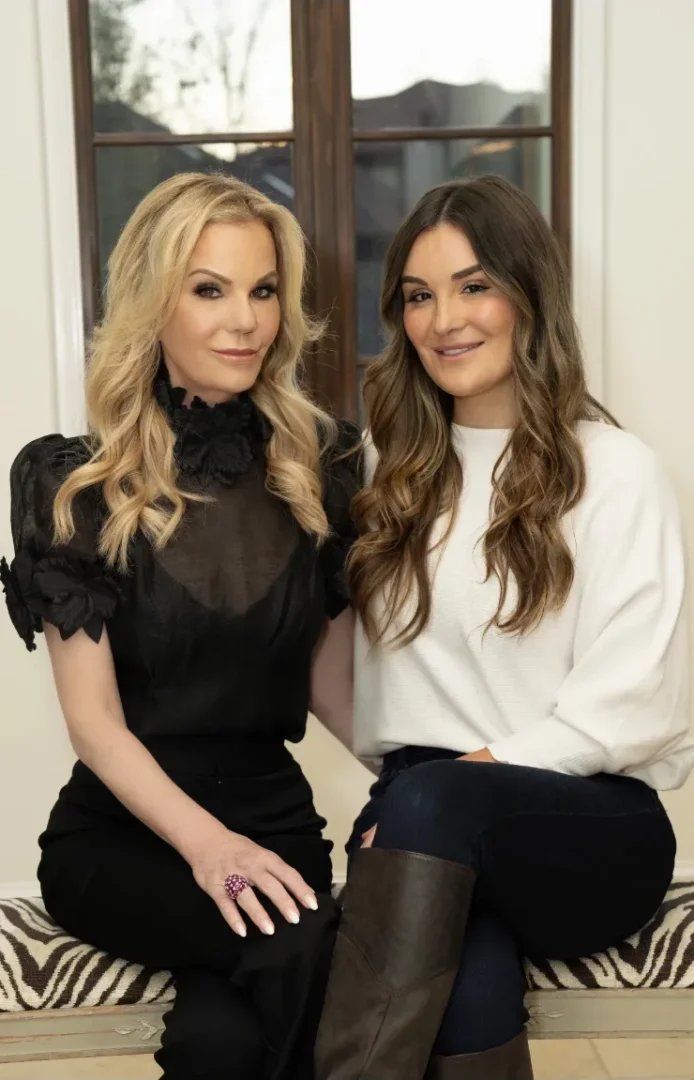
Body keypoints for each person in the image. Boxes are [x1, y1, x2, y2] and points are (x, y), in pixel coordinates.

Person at [314, 175, 694, 1080]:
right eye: (418, 295)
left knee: (430, 800)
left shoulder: (614, 470)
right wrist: (412, 789)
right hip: (429, 827)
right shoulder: (389, 473)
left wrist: (443, 786)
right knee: (466, 990)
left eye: (474, 285)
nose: (444, 318)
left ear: (529, 295)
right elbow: (354, 674)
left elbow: (633, 707)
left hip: (585, 828)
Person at [1, 172, 359, 1080]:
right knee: (301, 948)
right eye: (209, 289)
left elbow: (326, 681)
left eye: (263, 289)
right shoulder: (72, 482)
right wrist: (210, 850)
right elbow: (95, 727)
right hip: (127, 837)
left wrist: (430, 782)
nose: (244, 320)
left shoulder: (322, 467)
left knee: (219, 1043)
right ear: (154, 304)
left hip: (274, 820)